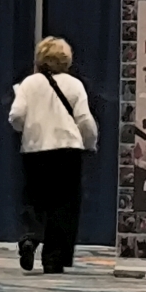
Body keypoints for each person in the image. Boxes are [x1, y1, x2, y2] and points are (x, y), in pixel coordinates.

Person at [9, 35, 98, 274]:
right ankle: (54, 259)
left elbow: (16, 116)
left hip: (35, 150)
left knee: (34, 199)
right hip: (67, 150)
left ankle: (29, 238)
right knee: (64, 206)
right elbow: (84, 120)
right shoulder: (74, 85)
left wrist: (26, 129)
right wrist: (90, 143)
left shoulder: (29, 84)